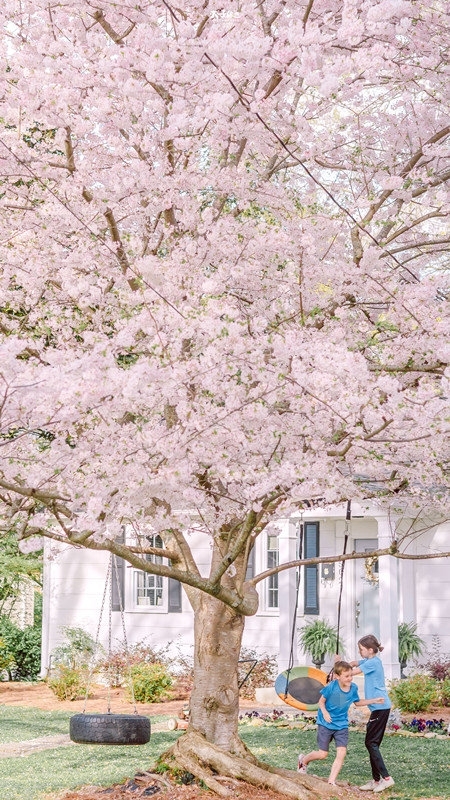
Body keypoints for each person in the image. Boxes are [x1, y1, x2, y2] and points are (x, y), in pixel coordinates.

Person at [297, 660, 384, 786]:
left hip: (341, 724)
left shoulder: (353, 688)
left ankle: (331, 781)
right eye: (347, 676)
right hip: (326, 723)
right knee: (323, 754)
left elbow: (357, 702)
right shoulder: (331, 687)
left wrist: (374, 700)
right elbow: (321, 702)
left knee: (342, 752)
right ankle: (303, 760)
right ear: (338, 676)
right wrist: (325, 713)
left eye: (351, 675)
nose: (350, 678)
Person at [350, 634, 395, 793]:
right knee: (371, 744)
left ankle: (386, 779)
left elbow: (352, 672)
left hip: (380, 708)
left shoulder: (372, 663)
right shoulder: (371, 661)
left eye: (361, 649)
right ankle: (376, 781)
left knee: (371, 743)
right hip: (378, 708)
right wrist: (342, 662)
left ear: (370, 650)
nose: (359, 652)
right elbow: (355, 663)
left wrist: (338, 671)